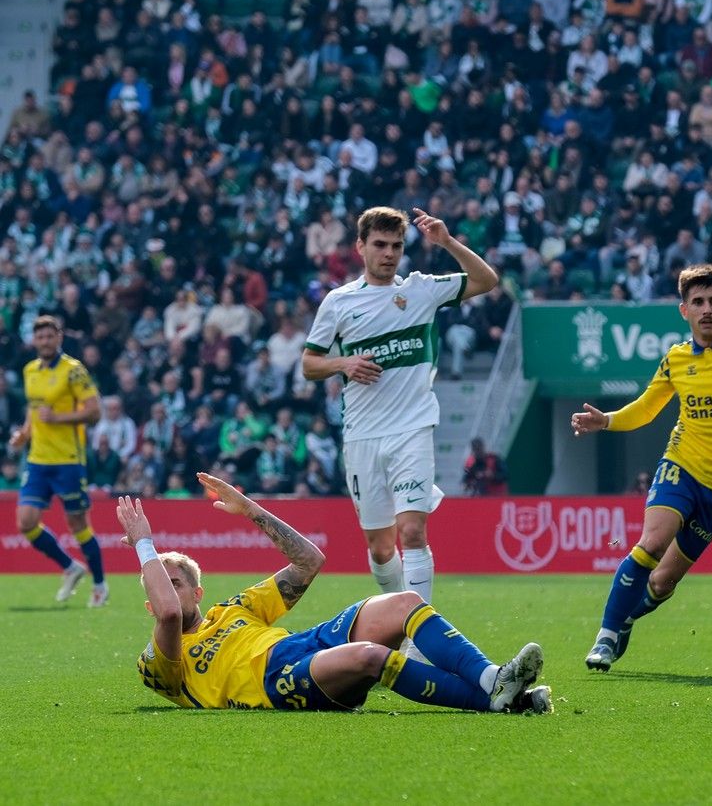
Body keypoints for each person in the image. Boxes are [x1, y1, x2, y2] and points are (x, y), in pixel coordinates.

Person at [123, 473, 550, 713]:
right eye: (161, 587)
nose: (169, 594)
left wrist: (250, 509)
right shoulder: (157, 661)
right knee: (369, 656)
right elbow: (169, 616)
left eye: (176, 582)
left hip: (303, 645)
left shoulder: (235, 608)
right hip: (275, 684)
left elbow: (309, 561)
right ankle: (496, 702)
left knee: (405, 603)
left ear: (198, 592)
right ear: (149, 604)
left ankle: (493, 679)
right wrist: (146, 546)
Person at [571, 264, 712, 671]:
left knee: (662, 582)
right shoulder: (676, 358)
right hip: (681, 465)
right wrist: (607, 420)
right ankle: (605, 636)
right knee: (652, 543)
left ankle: (626, 619)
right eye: (697, 302)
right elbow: (646, 408)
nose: (706, 310)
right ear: (684, 310)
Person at [302, 207, 498, 604]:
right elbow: (309, 364)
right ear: (360, 246)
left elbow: (486, 280)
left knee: (412, 532)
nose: (389, 253)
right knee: (380, 548)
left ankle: (417, 627)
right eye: (380, 245)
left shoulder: (421, 290)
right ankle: (397, 614)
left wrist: (447, 242)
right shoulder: (339, 302)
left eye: (396, 245)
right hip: (362, 436)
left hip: (413, 429)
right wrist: (344, 364)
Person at [9, 315, 106, 606]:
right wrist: (24, 434)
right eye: (40, 337)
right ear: (34, 340)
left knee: (77, 524)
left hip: (68, 459)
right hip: (38, 459)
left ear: (59, 338)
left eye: (50, 336)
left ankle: (99, 585)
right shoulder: (30, 370)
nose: (45, 341)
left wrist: (58, 418)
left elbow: (95, 412)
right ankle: (70, 567)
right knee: (26, 522)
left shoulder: (73, 370)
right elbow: (34, 410)